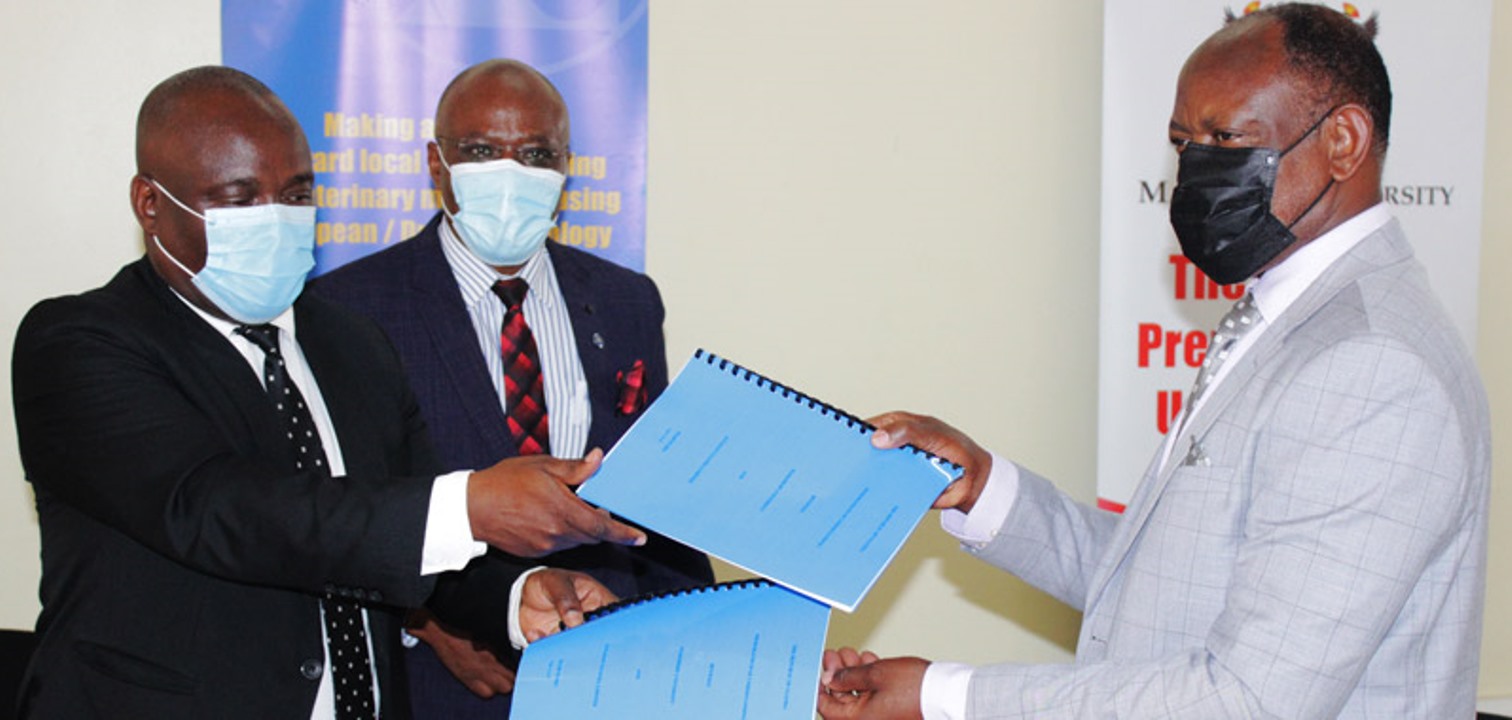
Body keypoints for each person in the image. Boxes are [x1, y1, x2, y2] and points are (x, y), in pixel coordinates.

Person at [819, 5, 1490, 718]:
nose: (1196, 169)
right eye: (1182, 142)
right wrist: (985, 489)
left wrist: (943, 696)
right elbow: (1166, 579)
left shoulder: (1370, 366)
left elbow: (1248, 700)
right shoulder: (1289, 315)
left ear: (1343, 141)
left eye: (1226, 138)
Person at [9, 66, 649, 720]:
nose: (275, 219)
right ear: (150, 203)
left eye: (295, 193)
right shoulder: (79, 342)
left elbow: (402, 533)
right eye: (239, 198)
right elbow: (219, 508)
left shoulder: (352, 342)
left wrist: (518, 597)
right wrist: (468, 504)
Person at [310, 58, 713, 716]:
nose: (510, 174)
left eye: (534, 153)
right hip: (446, 676)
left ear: (565, 168)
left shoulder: (625, 302)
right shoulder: (348, 308)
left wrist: (695, 648)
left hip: (606, 669)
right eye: (480, 151)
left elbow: (657, 503)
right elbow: (336, 514)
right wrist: (431, 625)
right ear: (436, 165)